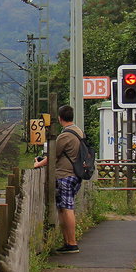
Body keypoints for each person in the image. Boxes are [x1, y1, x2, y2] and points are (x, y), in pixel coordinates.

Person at [32, 104, 84, 254]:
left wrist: (38, 163)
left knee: (67, 208)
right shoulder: (78, 131)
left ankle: (72, 243)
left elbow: (52, 155)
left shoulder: (65, 135)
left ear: (60, 119)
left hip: (65, 175)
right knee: (64, 208)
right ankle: (68, 242)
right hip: (74, 174)